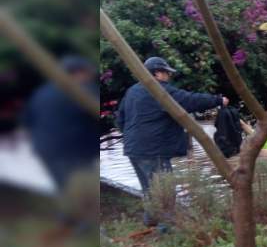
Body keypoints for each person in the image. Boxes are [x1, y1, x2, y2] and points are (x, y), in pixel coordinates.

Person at [116, 56, 228, 228]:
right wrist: (218, 100)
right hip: (154, 149)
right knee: (165, 191)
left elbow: (120, 119)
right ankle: (166, 229)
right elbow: (189, 100)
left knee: (149, 188)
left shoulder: (132, 91)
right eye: (166, 73)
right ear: (157, 73)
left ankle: (151, 220)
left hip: (133, 149)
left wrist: (135, 138)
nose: (168, 77)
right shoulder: (158, 90)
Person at [23, 55, 100, 192]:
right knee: (82, 192)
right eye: (87, 73)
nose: (89, 77)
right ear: (78, 73)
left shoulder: (42, 92)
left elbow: (27, 122)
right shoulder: (84, 92)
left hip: (46, 150)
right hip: (74, 152)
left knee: (65, 189)